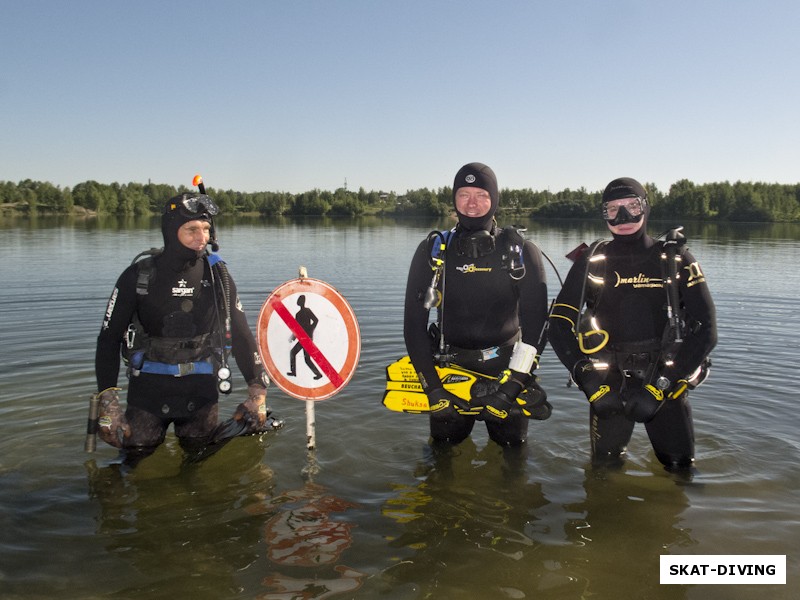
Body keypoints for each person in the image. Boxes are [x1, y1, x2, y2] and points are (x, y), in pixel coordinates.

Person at [93, 191, 275, 466]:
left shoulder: (218, 277)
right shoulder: (138, 276)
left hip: (200, 393)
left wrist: (257, 391)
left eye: (205, 229)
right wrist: (109, 406)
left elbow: (241, 335)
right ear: (170, 229)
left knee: (199, 464)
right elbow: (108, 340)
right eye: (191, 230)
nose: (201, 238)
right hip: (148, 393)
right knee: (135, 463)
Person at [548, 177, 717, 470]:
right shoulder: (591, 261)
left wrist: (660, 386)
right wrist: (590, 381)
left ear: (645, 208)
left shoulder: (675, 258)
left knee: (680, 471)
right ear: (604, 215)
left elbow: (707, 330)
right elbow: (558, 324)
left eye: (631, 206)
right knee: (603, 474)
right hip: (608, 384)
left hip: (664, 379)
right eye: (612, 209)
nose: (623, 217)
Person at [403, 162, 550, 447]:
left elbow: (536, 329)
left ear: (495, 200)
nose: (472, 204)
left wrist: (512, 387)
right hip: (449, 373)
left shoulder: (520, 252)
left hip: (508, 370)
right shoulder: (433, 252)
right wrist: (432, 388)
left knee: (513, 463)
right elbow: (413, 326)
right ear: (453, 199)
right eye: (463, 194)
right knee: (442, 461)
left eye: (481, 194)